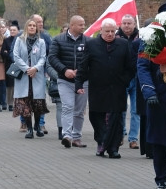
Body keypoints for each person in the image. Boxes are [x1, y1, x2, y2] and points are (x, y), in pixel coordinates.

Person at [78, 19, 136, 158]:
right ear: (101, 31)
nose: (110, 34)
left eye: (112, 31)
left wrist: (125, 80)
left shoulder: (123, 44)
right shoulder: (91, 44)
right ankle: (102, 141)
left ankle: (113, 148)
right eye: (107, 31)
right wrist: (79, 83)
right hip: (98, 88)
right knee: (97, 117)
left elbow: (131, 66)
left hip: (117, 88)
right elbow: (83, 65)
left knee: (116, 119)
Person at [138, 3, 166, 189]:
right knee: (159, 139)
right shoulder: (149, 37)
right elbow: (143, 67)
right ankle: (161, 177)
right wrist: (149, 92)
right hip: (158, 95)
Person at [49, 16, 89, 148]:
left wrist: (83, 71)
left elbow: (92, 59)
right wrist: (65, 70)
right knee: (67, 107)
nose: (83, 27)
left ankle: (77, 137)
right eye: (80, 25)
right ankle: (67, 135)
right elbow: (52, 58)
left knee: (79, 110)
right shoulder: (58, 40)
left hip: (83, 81)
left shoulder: (88, 41)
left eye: (84, 25)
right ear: (72, 26)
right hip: (65, 80)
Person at [11, 18, 50, 138]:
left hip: (37, 76)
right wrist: (27, 69)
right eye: (30, 25)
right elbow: (16, 56)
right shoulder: (19, 40)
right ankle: (29, 129)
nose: (32, 27)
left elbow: (43, 57)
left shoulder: (41, 42)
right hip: (23, 75)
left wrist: (36, 68)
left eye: (34, 25)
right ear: (26, 27)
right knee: (25, 103)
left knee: (37, 103)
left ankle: (37, 126)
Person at [116, 14, 141, 149]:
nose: (126, 26)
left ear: (134, 24)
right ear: (120, 24)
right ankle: (120, 135)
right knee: (121, 109)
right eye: (124, 23)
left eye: (129, 23)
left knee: (136, 110)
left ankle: (133, 138)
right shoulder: (115, 38)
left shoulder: (141, 37)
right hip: (121, 78)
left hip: (137, 78)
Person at [0, 22, 19, 111]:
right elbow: (3, 52)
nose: (12, 31)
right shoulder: (6, 40)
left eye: (14, 30)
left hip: (19, 65)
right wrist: (9, 55)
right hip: (9, 65)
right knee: (10, 85)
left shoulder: (21, 40)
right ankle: (10, 103)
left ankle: (18, 102)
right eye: (11, 30)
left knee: (18, 85)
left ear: (18, 31)